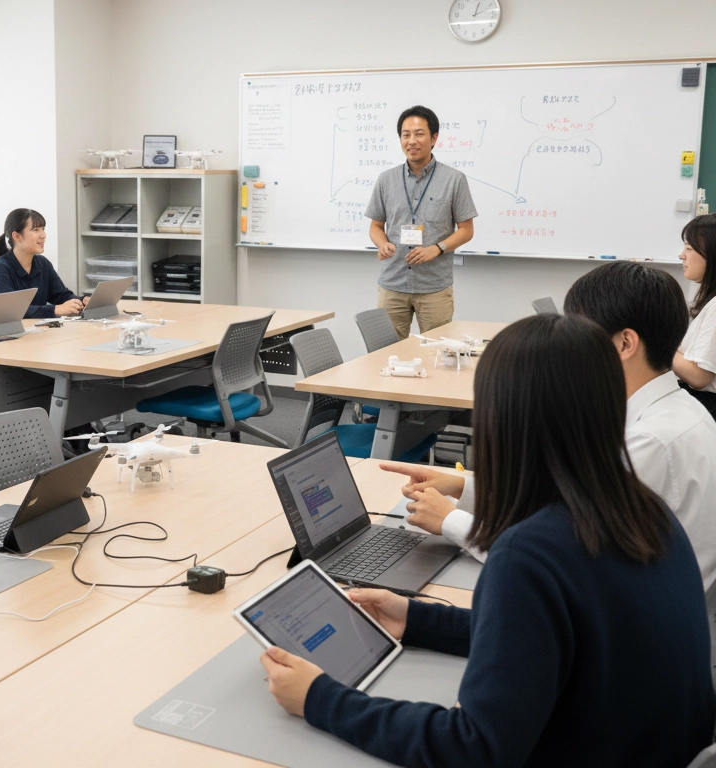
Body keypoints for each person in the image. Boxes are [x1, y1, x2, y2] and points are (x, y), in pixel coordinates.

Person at [260, 314, 715, 767]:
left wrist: (319, 698)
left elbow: (475, 749)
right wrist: (418, 620)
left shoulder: (531, 553)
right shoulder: (641, 508)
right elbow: (552, 635)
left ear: (504, 418)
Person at [389, 262, 716, 590]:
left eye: (582, 331)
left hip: (638, 621)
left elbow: (563, 562)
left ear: (624, 344)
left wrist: (451, 521)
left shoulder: (649, 442)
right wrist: (464, 488)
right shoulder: (669, 412)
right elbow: (564, 510)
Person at [365, 105, 478, 340]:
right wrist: (382, 244)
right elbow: (376, 226)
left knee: (436, 354)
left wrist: (437, 248)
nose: (411, 141)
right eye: (406, 135)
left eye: (419, 134)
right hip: (392, 283)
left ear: (434, 138)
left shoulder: (454, 179)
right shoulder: (386, 180)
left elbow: (466, 230)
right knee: (387, 353)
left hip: (433, 287)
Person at [0, 208, 85, 318]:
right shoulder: (1, 269)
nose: (43, 235)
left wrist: (81, 301)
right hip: (2, 334)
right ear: (17, 236)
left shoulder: (43, 263)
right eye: (36, 230)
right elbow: (10, 311)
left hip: (35, 330)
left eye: (43, 229)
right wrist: (55, 310)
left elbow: (59, 295)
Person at [673, 212, 716, 418]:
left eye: (689, 248)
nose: (682, 255)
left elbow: (699, 376)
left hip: (707, 408)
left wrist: (657, 345)